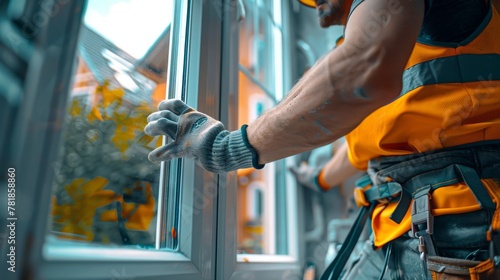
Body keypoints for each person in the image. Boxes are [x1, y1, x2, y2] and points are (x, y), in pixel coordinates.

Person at [144, 0, 500, 278]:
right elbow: (368, 144)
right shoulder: (393, 36)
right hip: (422, 222)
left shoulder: (375, 39)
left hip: (461, 226)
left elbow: (360, 76)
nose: (309, 5)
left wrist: (225, 148)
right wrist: (318, 178)